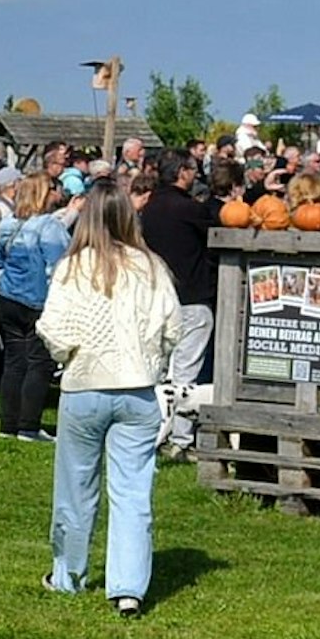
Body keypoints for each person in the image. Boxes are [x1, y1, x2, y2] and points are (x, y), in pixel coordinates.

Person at [36, 180, 182, 617]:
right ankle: (128, 589)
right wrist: (153, 360)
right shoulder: (152, 267)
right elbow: (173, 327)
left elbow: (53, 327)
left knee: (76, 489)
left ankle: (68, 576)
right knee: (133, 491)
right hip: (137, 391)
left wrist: (70, 355)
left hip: (84, 387)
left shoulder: (72, 267)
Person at [138, 150, 219, 462]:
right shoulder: (189, 209)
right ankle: (182, 440)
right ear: (182, 172)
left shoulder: (151, 206)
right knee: (186, 373)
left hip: (158, 298)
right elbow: (215, 231)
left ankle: (150, 430)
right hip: (192, 297)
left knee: (157, 370)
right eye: (192, 169)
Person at [0, 171, 69, 441]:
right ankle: (28, 425)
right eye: (51, 189)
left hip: (8, 297)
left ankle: (8, 425)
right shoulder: (50, 226)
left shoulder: (8, 224)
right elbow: (59, 266)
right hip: (38, 300)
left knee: (14, 361)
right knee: (39, 362)